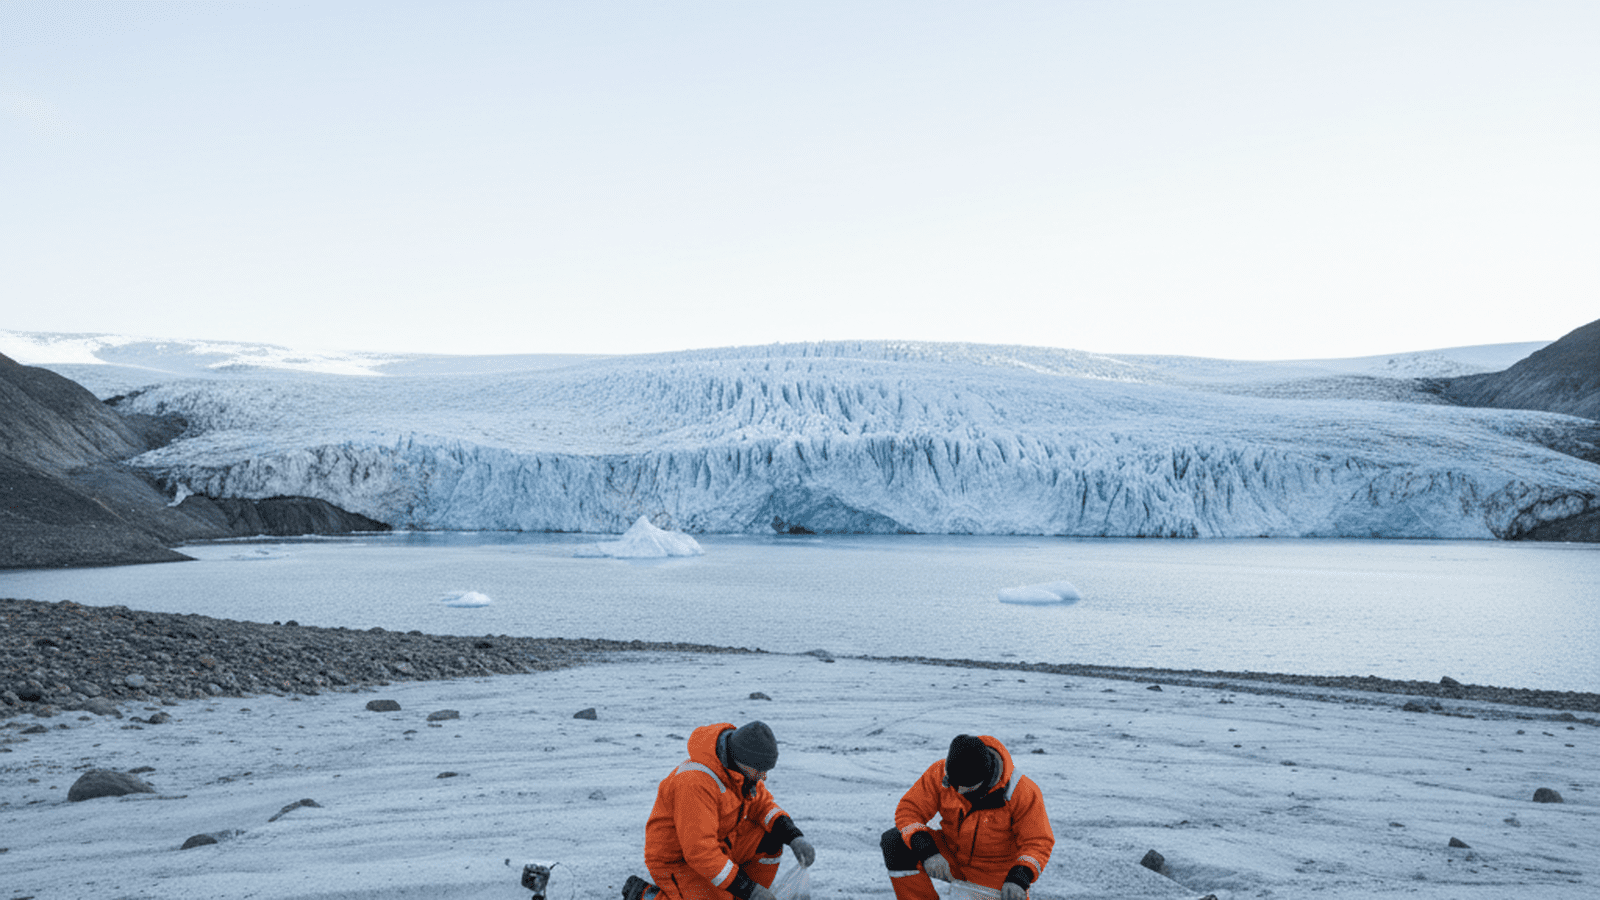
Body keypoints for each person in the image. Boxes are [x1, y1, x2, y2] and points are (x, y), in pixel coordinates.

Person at [623, 721, 815, 900]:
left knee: (770, 837)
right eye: (760, 770)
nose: (764, 777)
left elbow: (763, 806)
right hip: (679, 859)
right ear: (743, 760)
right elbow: (700, 851)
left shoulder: (742, 773)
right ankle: (645, 894)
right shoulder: (694, 783)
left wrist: (794, 837)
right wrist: (749, 889)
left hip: (722, 843)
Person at [880, 734, 1053, 900]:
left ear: (986, 778)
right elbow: (909, 809)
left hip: (997, 877)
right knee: (895, 842)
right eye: (954, 785)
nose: (959, 792)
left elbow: (1038, 842)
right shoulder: (940, 773)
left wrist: (1018, 879)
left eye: (968, 788)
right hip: (952, 858)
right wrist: (928, 851)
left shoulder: (1022, 791)